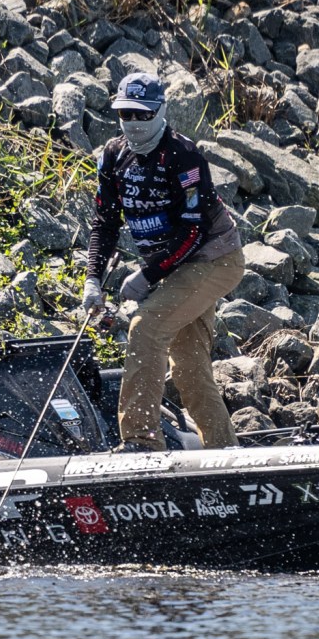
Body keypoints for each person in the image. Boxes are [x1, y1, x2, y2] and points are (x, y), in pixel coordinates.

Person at [82, 71, 245, 452]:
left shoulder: (183, 157)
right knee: (188, 367)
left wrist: (147, 274)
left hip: (213, 259)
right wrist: (93, 280)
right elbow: (105, 223)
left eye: (142, 114)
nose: (134, 123)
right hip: (173, 269)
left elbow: (194, 230)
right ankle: (226, 451)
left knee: (145, 328)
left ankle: (141, 440)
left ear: (160, 112)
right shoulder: (113, 156)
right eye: (125, 114)